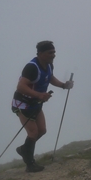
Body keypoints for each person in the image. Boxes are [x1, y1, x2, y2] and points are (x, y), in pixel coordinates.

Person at [11, 41, 74, 172]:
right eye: (50, 53)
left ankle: (24, 149)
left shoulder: (49, 65)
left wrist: (63, 85)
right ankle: (30, 164)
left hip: (36, 102)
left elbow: (50, 77)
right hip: (22, 103)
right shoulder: (31, 67)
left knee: (42, 130)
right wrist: (39, 94)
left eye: (54, 52)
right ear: (40, 54)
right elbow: (21, 86)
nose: (53, 55)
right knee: (33, 132)